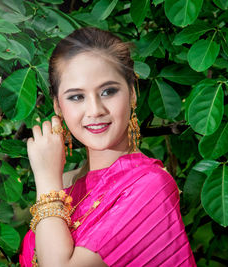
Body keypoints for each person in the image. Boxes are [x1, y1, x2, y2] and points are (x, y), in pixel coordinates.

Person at [19, 27, 196, 267]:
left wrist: (47, 180)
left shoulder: (150, 186)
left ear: (132, 93)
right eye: (76, 97)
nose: (95, 110)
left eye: (108, 91)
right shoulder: (66, 185)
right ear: (58, 106)